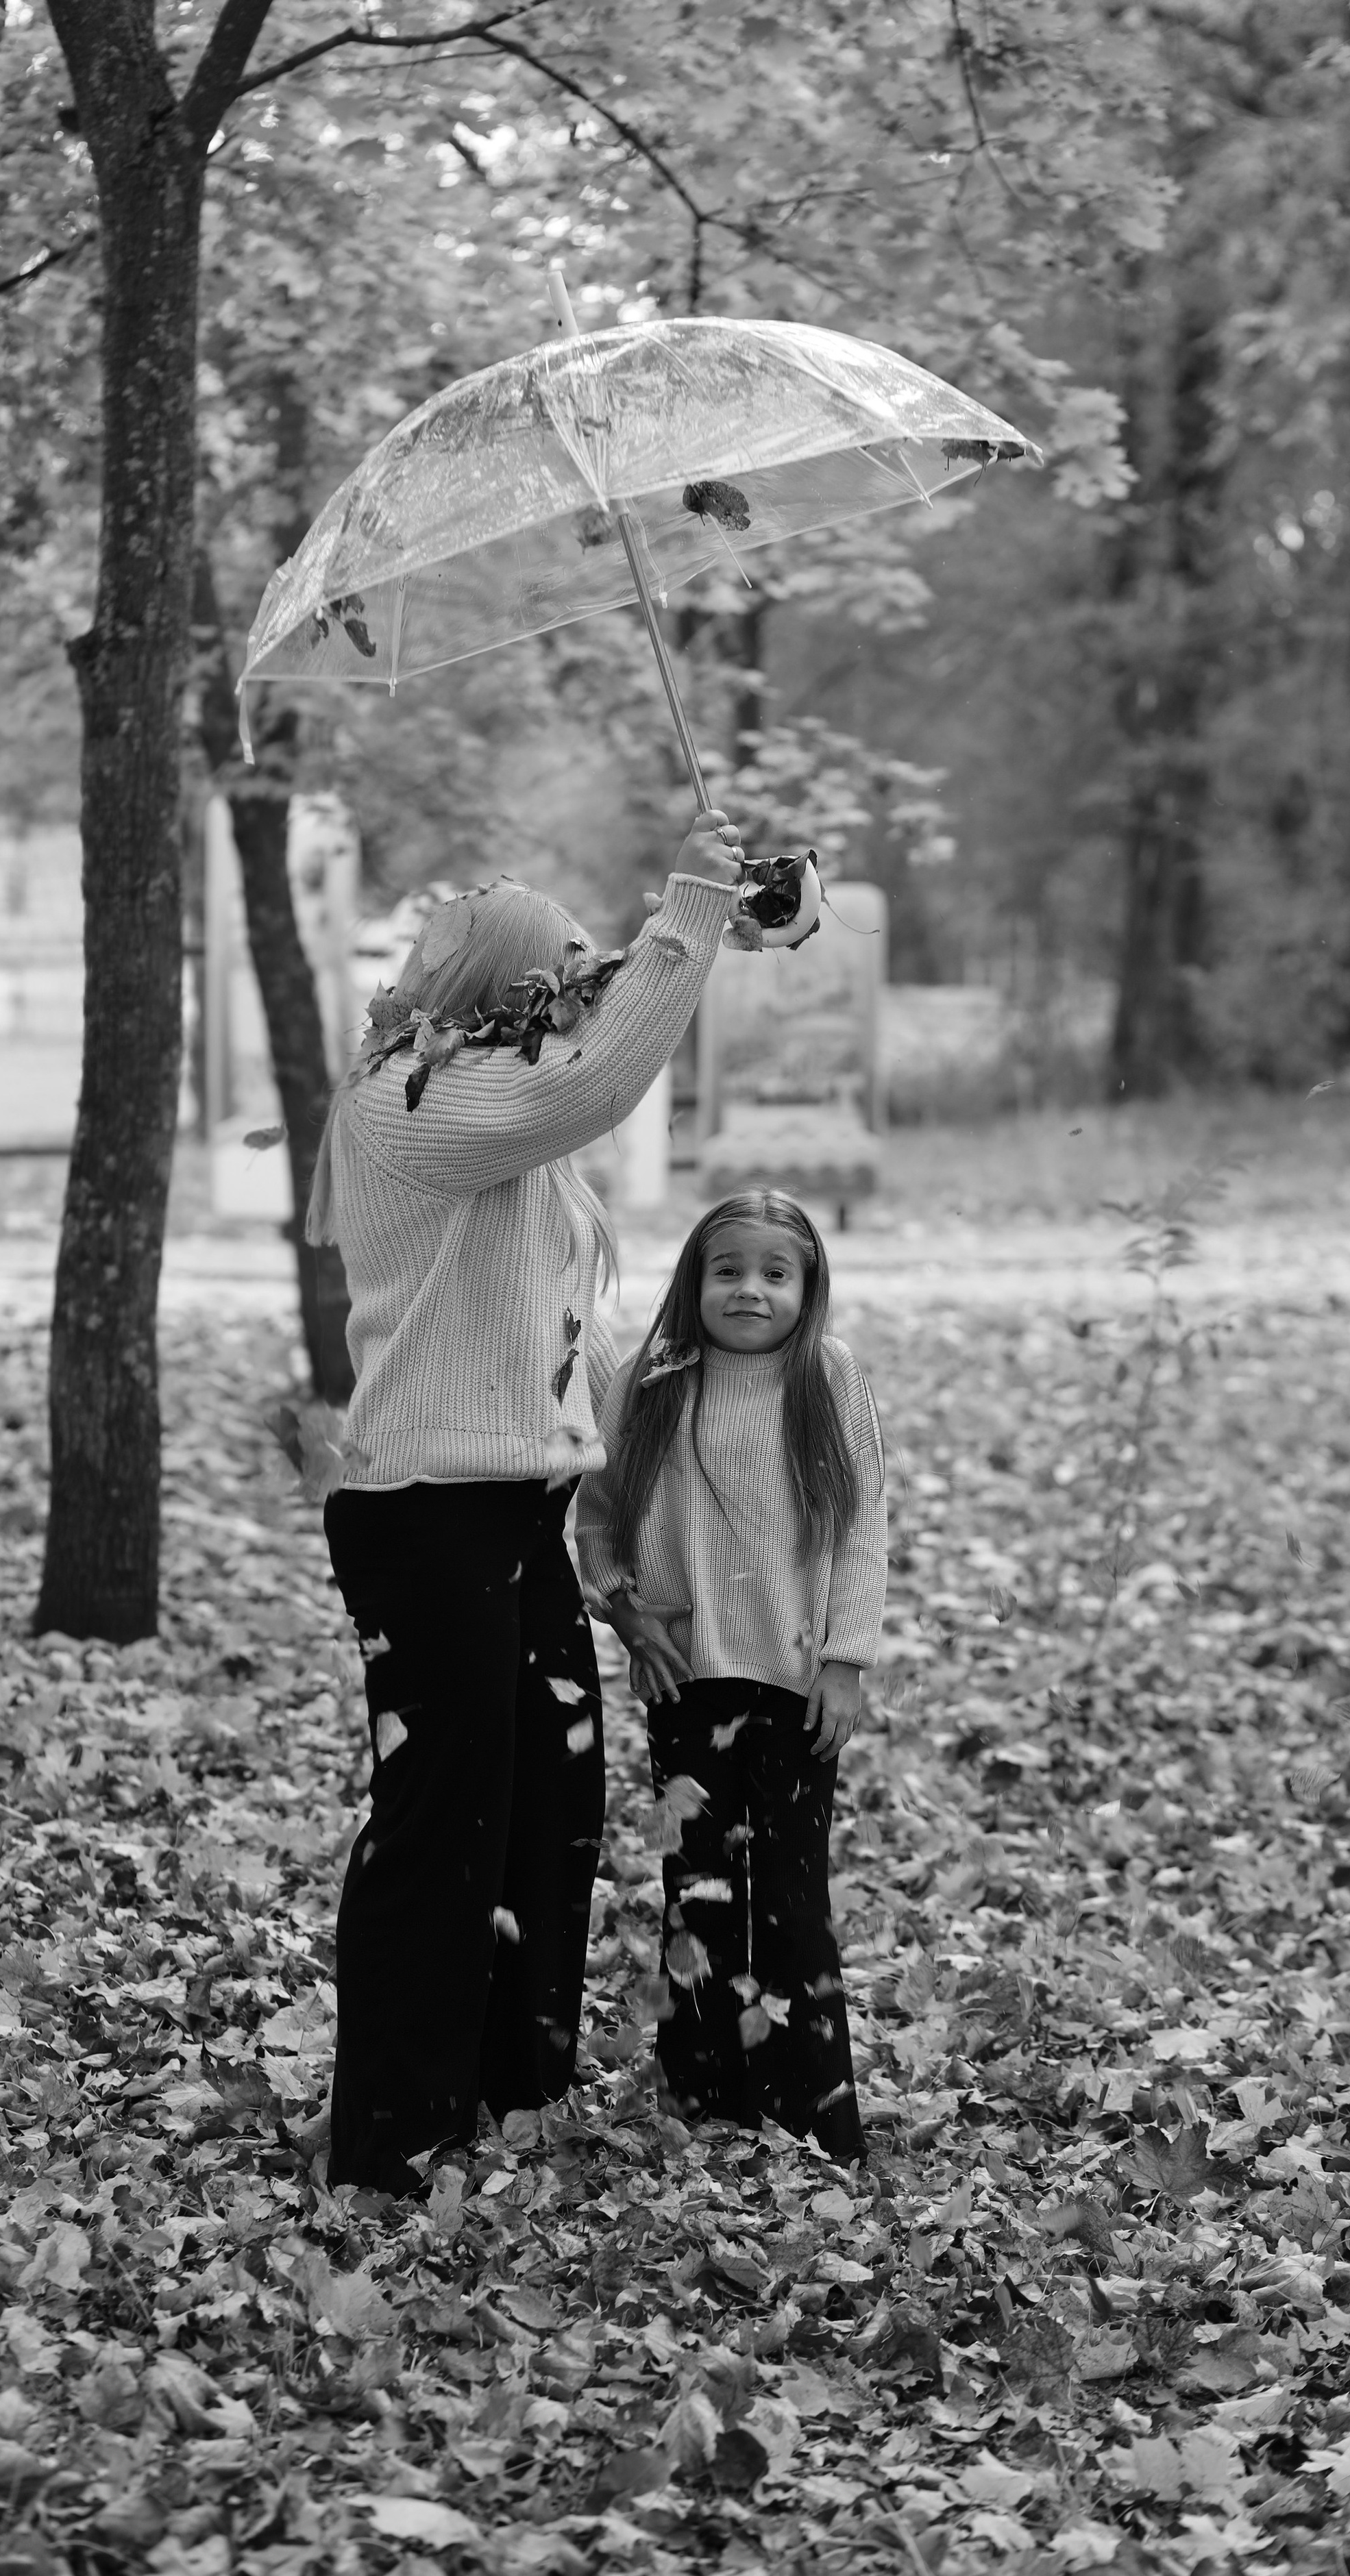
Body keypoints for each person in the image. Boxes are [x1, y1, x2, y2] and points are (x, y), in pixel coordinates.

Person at [308, 810, 746, 2194]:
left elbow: (547, 1327)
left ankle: (505, 2092)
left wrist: (673, 1420)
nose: (571, 1000)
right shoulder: (413, 1103)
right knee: (440, 1818)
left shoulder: (495, 1116)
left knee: (546, 1804)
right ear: (495, 984)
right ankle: (390, 2131)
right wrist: (692, 910)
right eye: (551, 979)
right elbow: (600, 1079)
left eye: (579, 979)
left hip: (511, 1512)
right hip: (422, 1515)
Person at [576, 1189, 887, 2163]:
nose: (750, 1289)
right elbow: (597, 1506)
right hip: (686, 1680)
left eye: (774, 1273)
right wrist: (624, 1612)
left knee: (792, 1903)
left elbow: (861, 1523)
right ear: (694, 1281)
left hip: (795, 1685)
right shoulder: (653, 1378)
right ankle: (705, 2094)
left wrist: (845, 1661)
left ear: (807, 1286)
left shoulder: (827, 1379)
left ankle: (810, 2110)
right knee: (698, 1891)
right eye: (727, 1270)